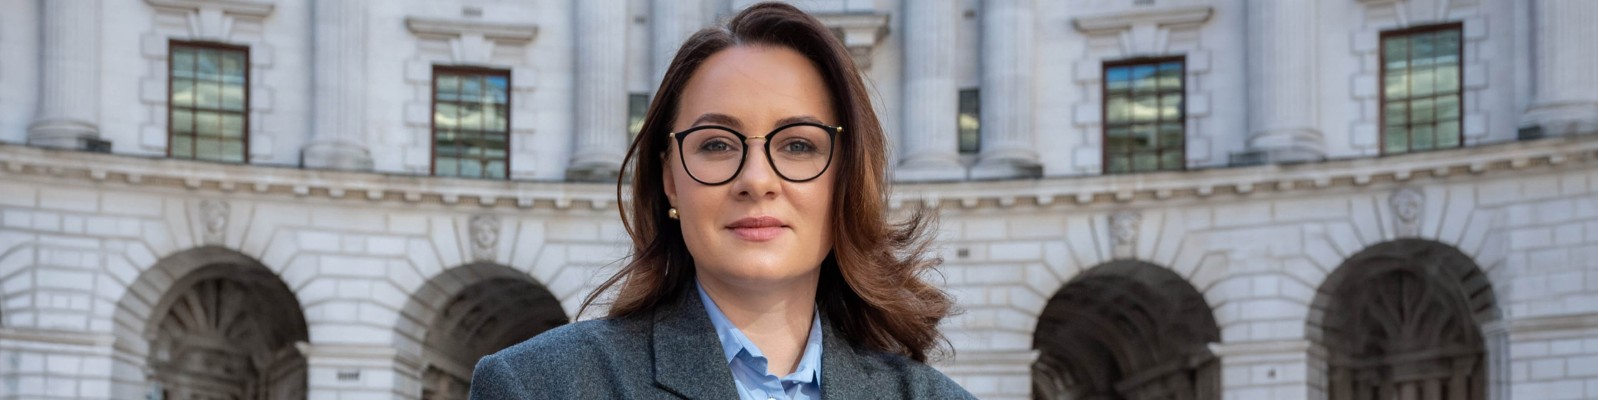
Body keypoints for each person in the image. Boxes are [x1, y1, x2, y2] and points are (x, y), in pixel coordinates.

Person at [469, 3, 973, 399]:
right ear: (669, 179)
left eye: (798, 145)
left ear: (845, 179)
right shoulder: (536, 386)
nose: (757, 180)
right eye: (716, 144)